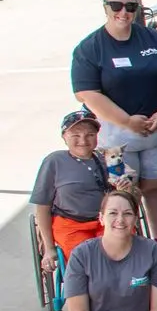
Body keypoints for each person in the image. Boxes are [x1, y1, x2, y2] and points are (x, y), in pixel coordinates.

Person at [71, 0, 157, 246]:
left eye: (130, 7)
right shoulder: (89, 48)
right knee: (122, 194)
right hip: (117, 137)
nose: (124, 12)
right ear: (105, 8)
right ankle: (124, 248)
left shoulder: (153, 39)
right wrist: (127, 121)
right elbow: (87, 94)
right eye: (116, 6)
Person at [32, 110, 112, 279]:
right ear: (64, 136)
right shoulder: (54, 161)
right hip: (71, 224)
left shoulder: (107, 157)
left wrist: (127, 187)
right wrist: (49, 248)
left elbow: (125, 197)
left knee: (120, 252)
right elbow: (42, 206)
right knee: (86, 262)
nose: (83, 140)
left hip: (106, 221)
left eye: (90, 135)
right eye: (75, 135)